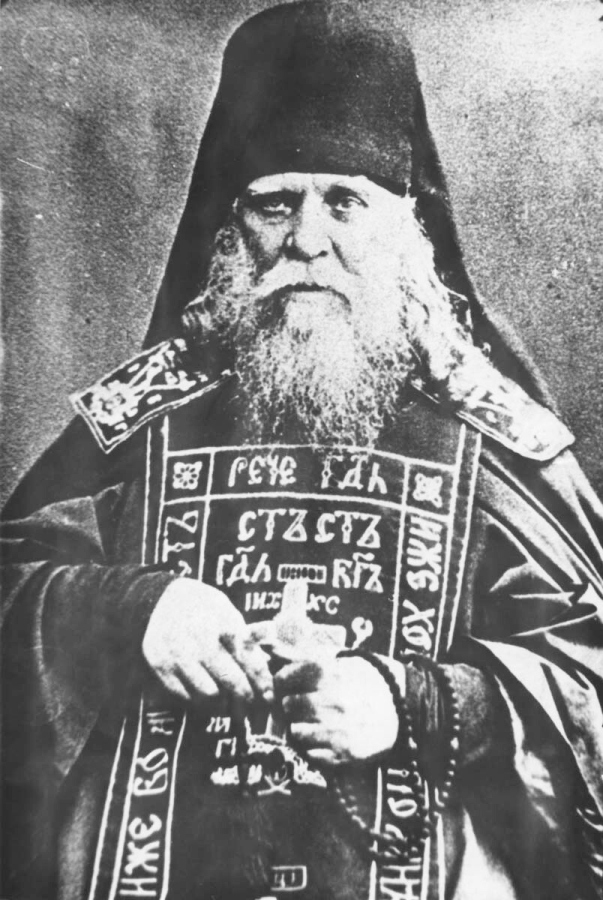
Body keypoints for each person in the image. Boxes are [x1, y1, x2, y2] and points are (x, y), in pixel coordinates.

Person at [2, 3, 603, 900]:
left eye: (344, 203)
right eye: (273, 203)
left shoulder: (495, 440)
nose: (306, 240)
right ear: (229, 230)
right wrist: (131, 611)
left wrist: (413, 702)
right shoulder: (141, 423)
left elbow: (585, 671)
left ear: (405, 228)